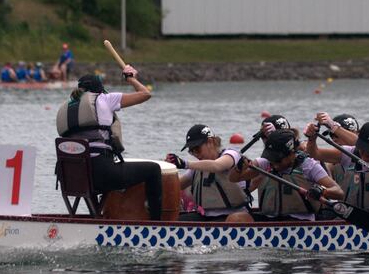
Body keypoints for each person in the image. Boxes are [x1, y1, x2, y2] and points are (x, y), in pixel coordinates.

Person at [56, 67, 162, 220]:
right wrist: (130, 78)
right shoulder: (104, 99)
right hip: (101, 173)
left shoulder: (65, 107)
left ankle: (95, 217)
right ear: (99, 89)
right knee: (153, 170)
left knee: (91, 171)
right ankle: (156, 225)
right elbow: (146, 94)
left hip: (71, 177)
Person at [231, 129, 342, 221]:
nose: (274, 164)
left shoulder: (308, 166)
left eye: (278, 160)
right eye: (271, 159)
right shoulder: (265, 163)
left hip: (301, 221)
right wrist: (239, 167)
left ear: (291, 153)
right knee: (236, 218)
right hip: (270, 219)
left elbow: (339, 192)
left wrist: (322, 191)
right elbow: (233, 179)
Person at [165, 124, 253, 223]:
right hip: (207, 217)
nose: (196, 154)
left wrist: (184, 163)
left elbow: (217, 166)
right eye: (192, 151)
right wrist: (166, 168)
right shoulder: (197, 167)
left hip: (233, 217)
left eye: (197, 149)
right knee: (172, 220)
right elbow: (176, 186)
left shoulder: (231, 155)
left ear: (210, 142)